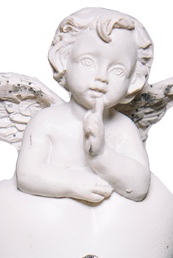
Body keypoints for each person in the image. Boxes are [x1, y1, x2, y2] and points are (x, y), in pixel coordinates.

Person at [16, 8, 154, 205]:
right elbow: (27, 175)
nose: (102, 77)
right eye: (88, 62)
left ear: (133, 80)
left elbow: (139, 187)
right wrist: (73, 183)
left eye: (117, 70)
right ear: (63, 60)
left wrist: (101, 154)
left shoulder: (123, 128)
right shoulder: (46, 121)